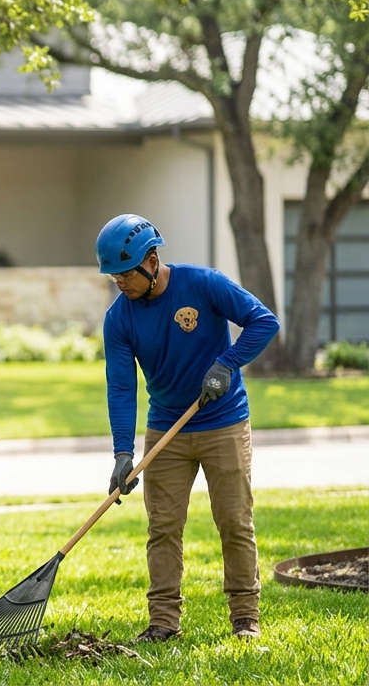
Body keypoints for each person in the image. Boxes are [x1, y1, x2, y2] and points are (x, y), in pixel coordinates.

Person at [97, 214, 279, 643]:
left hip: (224, 422)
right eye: (113, 277)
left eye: (125, 274)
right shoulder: (118, 319)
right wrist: (124, 452)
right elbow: (121, 387)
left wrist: (226, 364)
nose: (120, 283)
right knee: (162, 527)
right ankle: (163, 622)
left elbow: (263, 321)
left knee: (234, 522)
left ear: (152, 260)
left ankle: (245, 618)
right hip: (167, 429)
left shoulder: (204, 283)